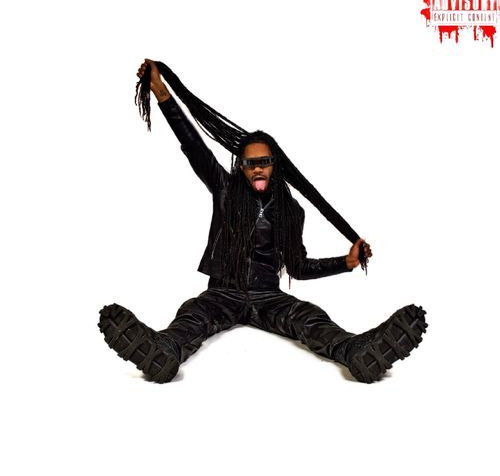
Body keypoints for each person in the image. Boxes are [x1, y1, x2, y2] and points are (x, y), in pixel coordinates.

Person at [97, 59, 427, 384]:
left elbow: (298, 267)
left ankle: (356, 351)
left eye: (264, 162)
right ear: (240, 167)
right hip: (223, 293)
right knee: (193, 315)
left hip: (268, 297)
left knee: (308, 316)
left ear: (274, 166)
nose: (257, 168)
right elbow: (194, 146)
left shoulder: (291, 211)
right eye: (250, 163)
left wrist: (346, 262)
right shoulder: (224, 190)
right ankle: (162, 350)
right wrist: (162, 94)